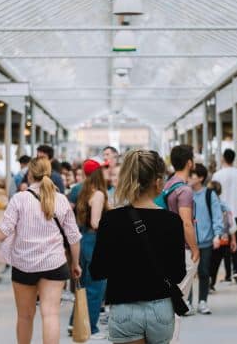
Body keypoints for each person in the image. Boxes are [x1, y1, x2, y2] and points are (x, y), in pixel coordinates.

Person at [90, 150, 186, 344]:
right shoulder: (173, 221)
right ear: (158, 181)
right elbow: (178, 274)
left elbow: (97, 271)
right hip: (161, 309)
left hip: (124, 308)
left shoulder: (111, 220)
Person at [0, 157, 82, 344]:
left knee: (25, 316)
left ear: (30, 174)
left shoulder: (19, 199)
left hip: (24, 265)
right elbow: (73, 237)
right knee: (51, 315)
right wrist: (76, 263)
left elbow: (2, 234)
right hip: (55, 264)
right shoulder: (61, 200)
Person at [68, 159, 109, 340]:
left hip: (81, 239)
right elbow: (96, 222)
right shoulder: (99, 194)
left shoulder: (79, 190)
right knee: (96, 287)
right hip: (94, 242)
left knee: (83, 286)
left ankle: (74, 322)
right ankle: (91, 328)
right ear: (98, 173)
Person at [163, 145, 199, 341]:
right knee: (177, 303)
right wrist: (195, 249)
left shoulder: (167, 185)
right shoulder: (184, 190)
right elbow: (186, 222)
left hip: (166, 248)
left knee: (168, 299)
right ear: (189, 163)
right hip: (182, 250)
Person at [189, 164, 223, 315]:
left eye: (193, 175)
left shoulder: (209, 194)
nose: (189, 178)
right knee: (188, 273)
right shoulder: (185, 193)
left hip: (206, 240)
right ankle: (187, 302)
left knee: (204, 271)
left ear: (201, 178)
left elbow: (217, 215)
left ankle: (202, 301)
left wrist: (217, 234)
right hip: (188, 242)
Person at [211, 148, 237, 283]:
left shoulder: (217, 175)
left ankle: (227, 274)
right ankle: (235, 271)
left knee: (223, 244)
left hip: (222, 213)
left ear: (223, 158)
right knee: (234, 241)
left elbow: (214, 195)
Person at [208, 180, 237, 292]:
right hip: (223, 239)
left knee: (209, 261)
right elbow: (232, 224)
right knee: (216, 262)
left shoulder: (207, 204)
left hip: (208, 237)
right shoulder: (225, 205)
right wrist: (234, 240)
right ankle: (211, 283)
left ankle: (209, 282)